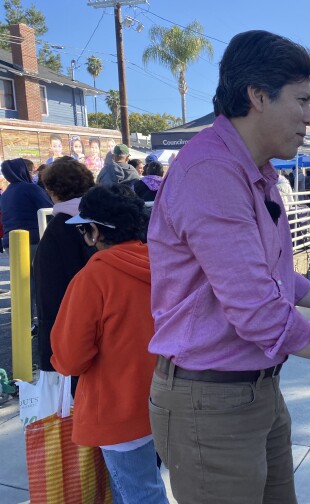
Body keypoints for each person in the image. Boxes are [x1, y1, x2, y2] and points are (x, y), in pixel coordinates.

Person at [147, 30, 310, 504]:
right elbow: (257, 309)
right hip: (211, 402)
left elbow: (273, 276)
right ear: (258, 96)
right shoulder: (210, 173)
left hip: (258, 391)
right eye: (301, 100)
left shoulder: (259, 173)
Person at [50, 185, 168, 504]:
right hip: (171, 399)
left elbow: (70, 358)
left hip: (118, 408)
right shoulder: (168, 264)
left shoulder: (93, 279)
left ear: (94, 231)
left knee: (139, 493)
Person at [34, 158, 95, 393]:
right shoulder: (107, 220)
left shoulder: (57, 231)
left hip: (76, 341)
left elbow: (49, 297)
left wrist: (49, 356)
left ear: (52, 190)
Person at [0, 158, 52, 327]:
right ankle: (44, 320)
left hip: (11, 243)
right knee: (40, 281)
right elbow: (49, 209)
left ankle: (25, 323)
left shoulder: (6, 193)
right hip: (33, 240)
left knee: (22, 284)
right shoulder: (30, 188)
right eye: (29, 170)